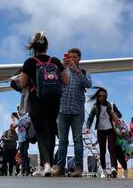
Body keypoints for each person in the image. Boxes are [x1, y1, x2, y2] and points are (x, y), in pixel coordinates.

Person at [19, 31, 68, 177]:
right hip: (54, 101)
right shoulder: (55, 61)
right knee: (51, 131)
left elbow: (22, 83)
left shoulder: (30, 62)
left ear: (34, 47)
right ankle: (50, 164)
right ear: (47, 47)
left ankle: (45, 165)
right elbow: (66, 81)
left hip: (37, 101)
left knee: (41, 133)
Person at [52, 48, 92, 177]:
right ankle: (60, 167)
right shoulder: (61, 71)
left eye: (75, 57)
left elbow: (88, 84)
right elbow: (52, 81)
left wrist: (77, 71)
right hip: (62, 110)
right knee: (63, 141)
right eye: (70, 57)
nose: (72, 59)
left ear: (79, 58)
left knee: (78, 140)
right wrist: (60, 68)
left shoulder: (84, 72)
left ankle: (78, 168)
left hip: (77, 111)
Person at [85, 87, 122, 178]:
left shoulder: (111, 105)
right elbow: (90, 119)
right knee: (102, 151)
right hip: (100, 130)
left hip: (110, 130)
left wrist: (114, 114)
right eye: (100, 95)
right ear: (97, 96)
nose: (102, 97)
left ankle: (113, 168)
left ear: (106, 96)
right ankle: (104, 171)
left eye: (104, 95)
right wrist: (87, 128)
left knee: (112, 148)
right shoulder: (95, 106)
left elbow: (120, 114)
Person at [112, 113, 131, 179]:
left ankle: (125, 171)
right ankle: (115, 173)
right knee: (115, 159)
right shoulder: (112, 125)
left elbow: (122, 133)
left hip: (122, 144)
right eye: (113, 118)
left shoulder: (121, 123)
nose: (115, 119)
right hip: (114, 144)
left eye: (116, 117)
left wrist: (115, 127)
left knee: (121, 159)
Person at [12, 112, 31, 176]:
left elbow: (13, 127)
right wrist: (17, 117)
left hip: (22, 139)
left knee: (23, 156)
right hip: (26, 138)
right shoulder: (26, 117)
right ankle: (27, 171)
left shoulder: (21, 119)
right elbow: (21, 122)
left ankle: (23, 171)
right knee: (25, 155)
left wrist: (13, 119)